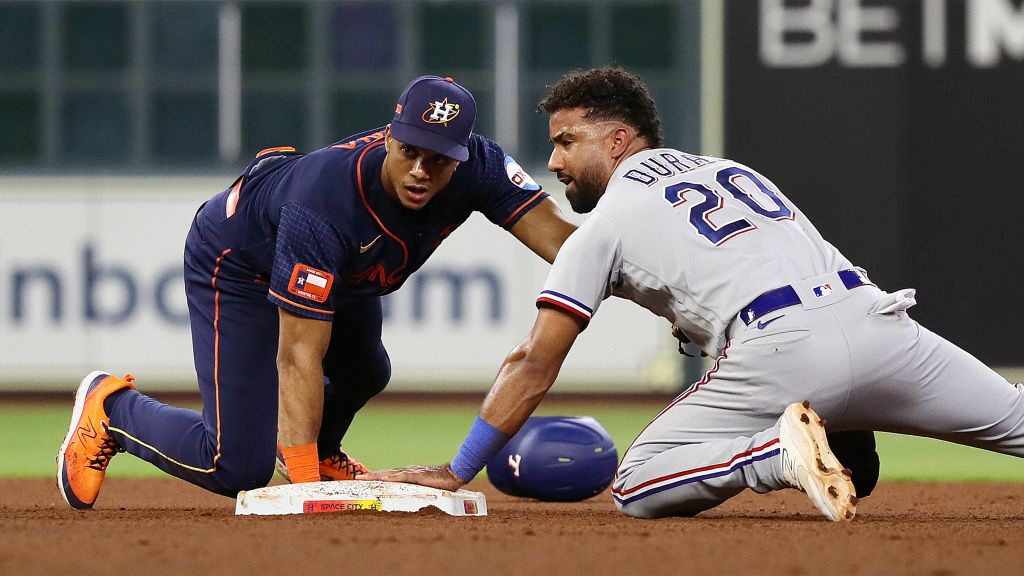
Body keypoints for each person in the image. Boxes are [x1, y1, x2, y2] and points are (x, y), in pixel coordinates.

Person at [361, 67, 1024, 521]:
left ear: (617, 141)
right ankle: (825, 427)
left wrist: (459, 467)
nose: (556, 161)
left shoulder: (609, 222)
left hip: (780, 350)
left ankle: (773, 455)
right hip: (879, 323)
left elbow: (534, 360)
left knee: (638, 484)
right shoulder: (732, 169)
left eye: (567, 142)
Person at [56, 75, 576, 510]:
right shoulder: (326, 205)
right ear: (390, 137)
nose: (420, 170)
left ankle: (322, 448)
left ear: (462, 157)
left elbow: (566, 246)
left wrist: (641, 262)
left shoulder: (481, 166)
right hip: (239, 262)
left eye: (438, 158)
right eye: (409, 150)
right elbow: (298, 354)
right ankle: (114, 410)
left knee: (366, 369)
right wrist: (304, 489)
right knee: (236, 466)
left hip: (344, 269)